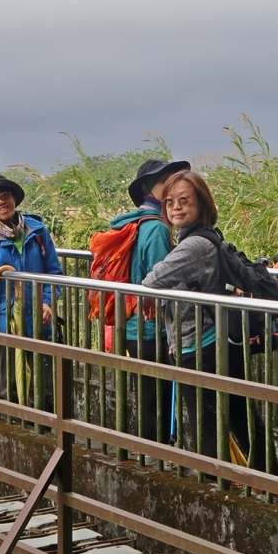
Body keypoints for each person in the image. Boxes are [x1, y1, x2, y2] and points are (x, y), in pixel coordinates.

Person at [141, 169, 271, 473]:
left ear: (202, 203)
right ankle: (268, 481)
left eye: (185, 200)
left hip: (201, 346)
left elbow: (151, 280)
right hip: (218, 341)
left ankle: (217, 482)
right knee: (240, 417)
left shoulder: (194, 245)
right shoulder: (203, 237)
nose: (176, 207)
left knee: (207, 420)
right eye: (170, 201)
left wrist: (152, 296)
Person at [108, 158, 189, 443]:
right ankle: (155, 456)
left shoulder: (133, 221)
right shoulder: (155, 228)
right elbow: (162, 278)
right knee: (157, 396)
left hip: (133, 324)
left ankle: (147, 453)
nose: (171, 186)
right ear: (149, 188)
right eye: (164, 181)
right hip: (152, 327)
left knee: (147, 393)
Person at [0, 174, 63, 408]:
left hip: (38, 319)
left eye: (5, 196)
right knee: (9, 388)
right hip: (4, 321)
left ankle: (43, 434)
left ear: (14, 198)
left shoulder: (37, 230)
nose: (0, 202)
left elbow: (54, 273)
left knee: (43, 388)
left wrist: (47, 303)